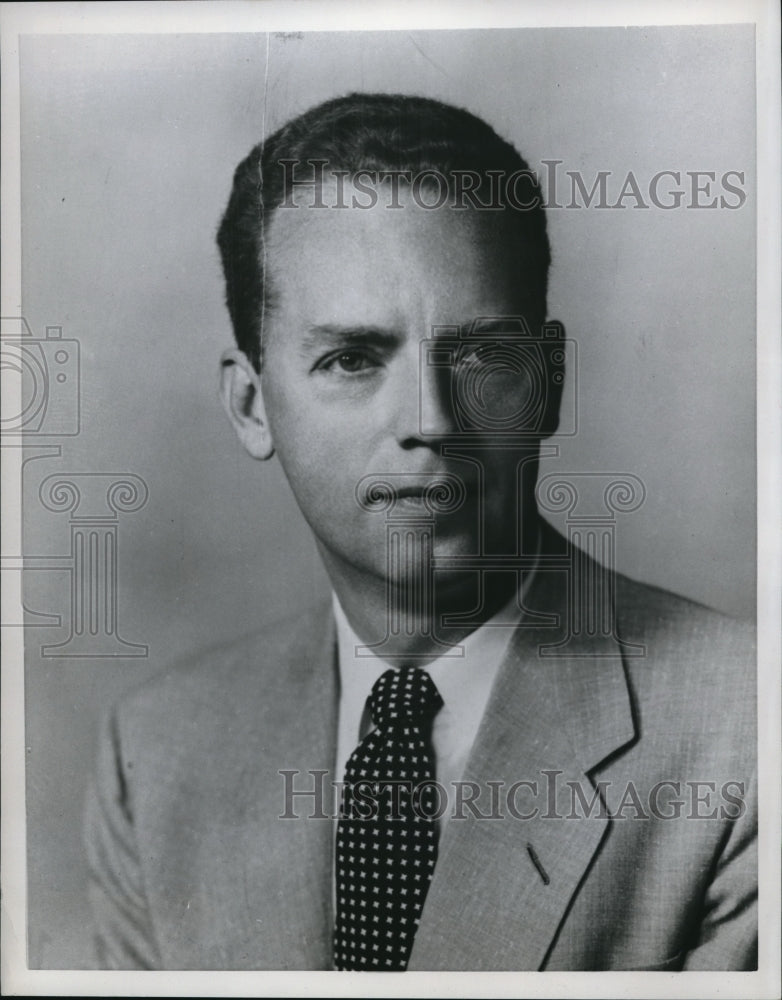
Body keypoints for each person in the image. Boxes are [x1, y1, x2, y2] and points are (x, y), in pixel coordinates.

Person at [84, 93, 756, 971]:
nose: (432, 420)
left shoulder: (749, 733)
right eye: (353, 360)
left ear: (548, 383)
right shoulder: (157, 755)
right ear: (252, 406)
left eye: (480, 354)